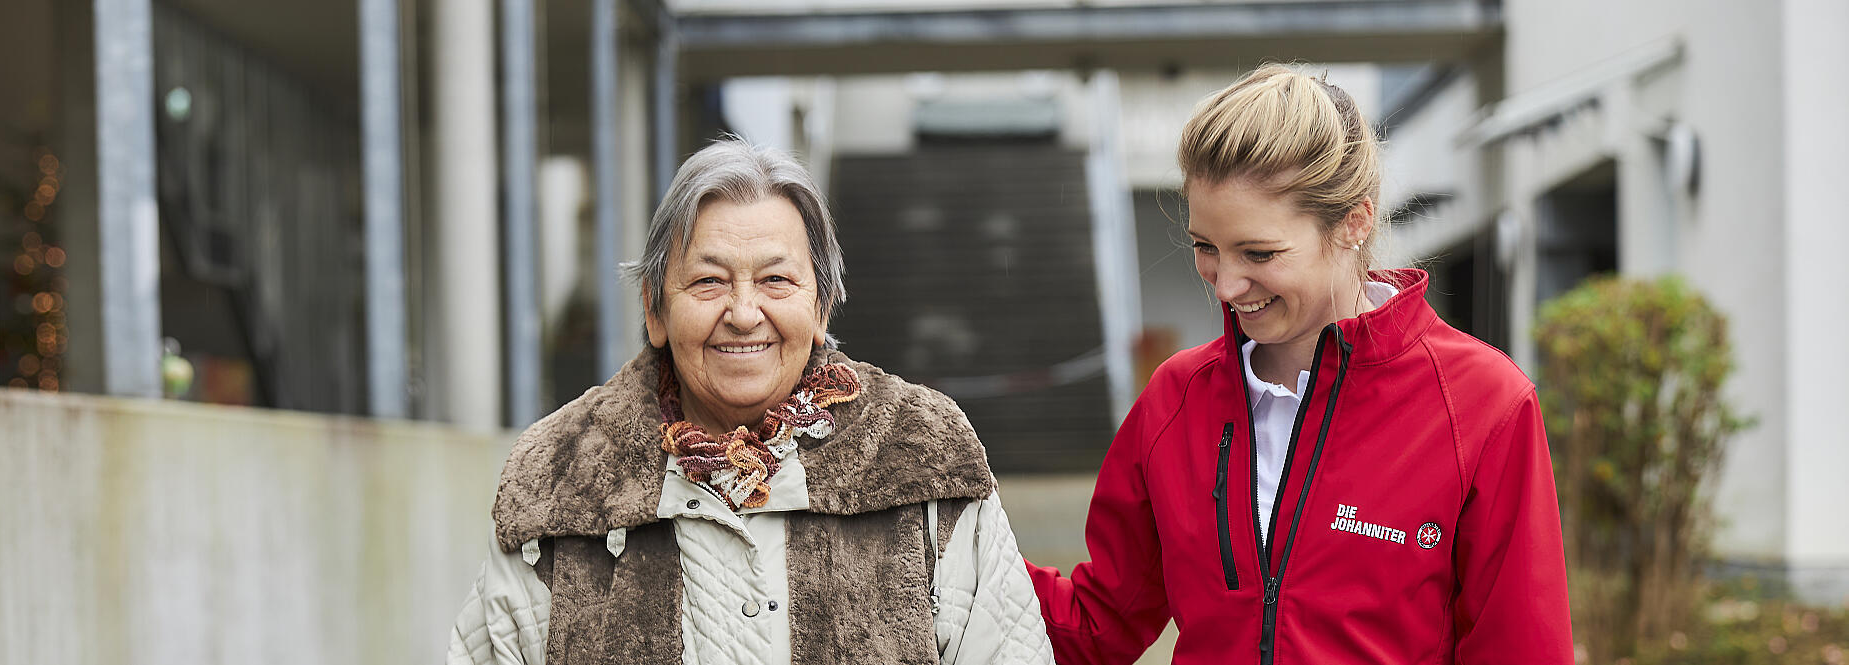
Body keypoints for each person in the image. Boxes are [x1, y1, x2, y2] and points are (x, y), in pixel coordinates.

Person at [1026, 64, 1574, 664]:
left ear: (1354, 223)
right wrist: (944, 545)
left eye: (1259, 252)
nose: (1227, 286)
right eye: (1205, 247)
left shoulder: (1482, 405)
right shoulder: (1175, 398)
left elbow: (1522, 649)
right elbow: (1095, 625)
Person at [447, 138, 1053, 665]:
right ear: (655, 310)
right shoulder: (561, 483)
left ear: (821, 307)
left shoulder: (923, 461)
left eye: (776, 280)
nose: (742, 314)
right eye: (708, 281)